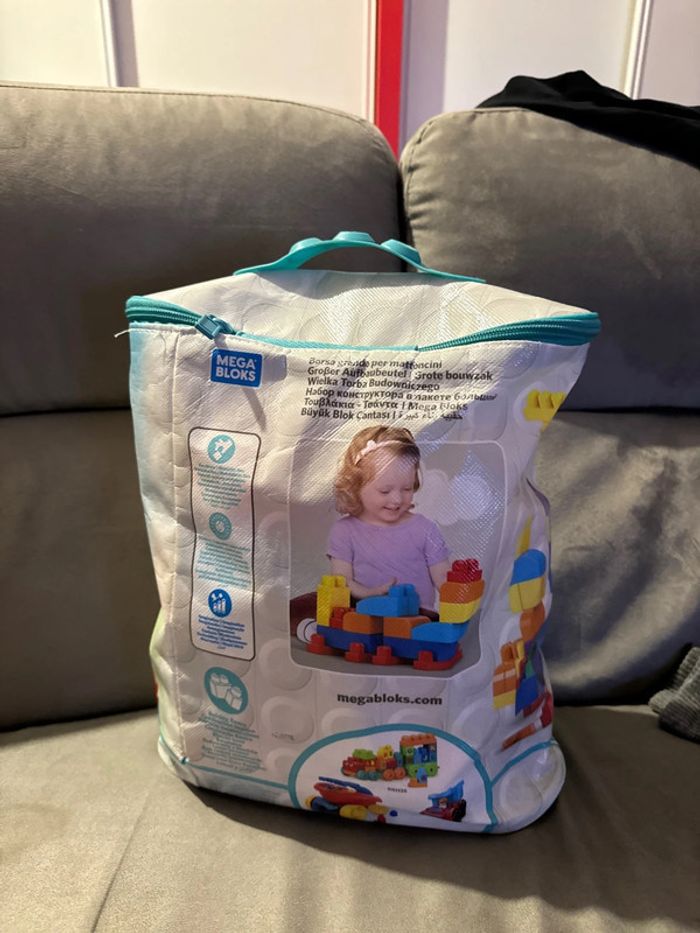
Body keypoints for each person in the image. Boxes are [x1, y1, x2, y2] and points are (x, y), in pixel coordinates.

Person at [328, 425, 450, 611]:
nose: (397, 499)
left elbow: (444, 579)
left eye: (407, 488)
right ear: (355, 485)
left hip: (421, 621)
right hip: (365, 618)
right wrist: (371, 593)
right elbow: (342, 581)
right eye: (385, 491)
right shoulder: (344, 531)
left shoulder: (425, 529)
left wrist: (462, 588)